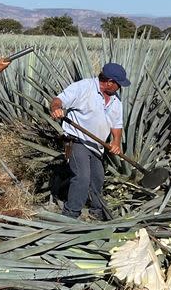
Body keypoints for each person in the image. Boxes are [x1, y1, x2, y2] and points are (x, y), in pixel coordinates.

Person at [49, 63, 130, 219]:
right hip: (76, 140)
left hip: (96, 146)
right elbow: (58, 100)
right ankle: (70, 215)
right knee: (82, 176)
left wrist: (116, 142)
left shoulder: (115, 100)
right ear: (109, 82)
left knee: (97, 178)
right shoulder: (83, 87)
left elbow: (117, 125)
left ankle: (96, 212)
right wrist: (56, 109)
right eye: (118, 84)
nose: (119, 87)